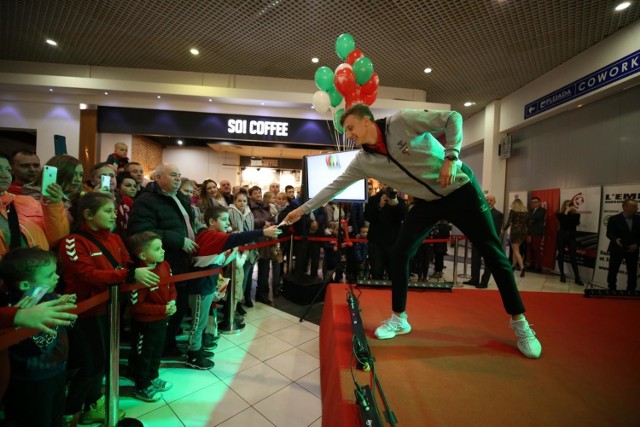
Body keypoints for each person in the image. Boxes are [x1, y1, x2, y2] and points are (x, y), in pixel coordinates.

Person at [282, 104, 541, 359]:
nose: (348, 134)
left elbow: (453, 117)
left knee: (493, 253)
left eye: (350, 128)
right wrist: (302, 210)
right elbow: (333, 187)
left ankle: (521, 324)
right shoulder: (363, 161)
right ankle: (399, 319)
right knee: (400, 253)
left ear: (366, 121)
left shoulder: (402, 122)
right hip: (427, 203)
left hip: (459, 190)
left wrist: (451, 157)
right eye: (345, 131)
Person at [59, 192, 159, 425]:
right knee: (89, 363)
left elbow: (126, 261)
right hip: (85, 312)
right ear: (88, 214)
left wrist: (127, 273)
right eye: (108, 210)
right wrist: (127, 275)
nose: (115, 214)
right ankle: (69, 411)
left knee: (102, 361)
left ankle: (93, 404)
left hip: (109, 308)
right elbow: (86, 274)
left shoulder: (114, 238)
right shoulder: (73, 242)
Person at [186, 206, 281, 369]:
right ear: (211, 221)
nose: (227, 222)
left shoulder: (211, 235)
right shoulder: (211, 236)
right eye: (223, 219)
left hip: (206, 285)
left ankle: (198, 348)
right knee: (197, 323)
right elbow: (237, 238)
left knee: (200, 322)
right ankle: (193, 355)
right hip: (200, 287)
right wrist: (263, 232)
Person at [0, 247, 76, 427]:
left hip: (57, 369)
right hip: (31, 378)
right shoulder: (13, 309)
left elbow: (67, 329)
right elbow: (26, 349)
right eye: (50, 275)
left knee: (55, 417)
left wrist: (66, 309)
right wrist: (19, 322)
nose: (57, 277)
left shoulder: (50, 296)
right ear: (25, 285)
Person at [127, 163, 198, 357]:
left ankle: (169, 343)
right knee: (162, 310)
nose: (178, 178)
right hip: (162, 263)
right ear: (158, 178)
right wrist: (178, 240)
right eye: (173, 175)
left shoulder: (180, 198)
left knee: (179, 305)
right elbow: (139, 231)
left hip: (181, 261)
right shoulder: (146, 201)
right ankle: (154, 353)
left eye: (179, 175)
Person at [127, 231, 176, 402]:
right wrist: (163, 309)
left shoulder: (165, 265)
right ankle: (141, 385)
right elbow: (136, 306)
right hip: (145, 324)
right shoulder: (139, 275)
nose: (162, 251)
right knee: (143, 355)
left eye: (161, 247)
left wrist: (172, 302)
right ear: (142, 254)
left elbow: (171, 287)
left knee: (157, 351)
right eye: (157, 249)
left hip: (162, 319)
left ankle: (153, 376)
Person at [0, 153, 69, 256]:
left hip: (41, 267)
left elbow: (56, 239)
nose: (5, 175)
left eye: (8, 170)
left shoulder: (27, 202)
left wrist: (53, 205)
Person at [364, 185, 407, 279]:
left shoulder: (399, 200)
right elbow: (368, 217)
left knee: (393, 272)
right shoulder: (373, 200)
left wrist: (396, 204)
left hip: (393, 241)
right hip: (376, 241)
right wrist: (379, 206)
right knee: (376, 271)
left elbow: (404, 216)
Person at [465, 195, 504, 288]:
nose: (489, 201)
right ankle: (474, 279)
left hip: (488, 243)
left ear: (494, 202)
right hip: (477, 241)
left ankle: (484, 282)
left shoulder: (498, 214)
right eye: (487, 200)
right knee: (475, 261)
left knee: (488, 264)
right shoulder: (478, 211)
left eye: (491, 200)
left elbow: (496, 231)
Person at [228, 190, 258, 308]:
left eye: (244, 201)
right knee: (237, 278)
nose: (242, 203)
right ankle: (234, 304)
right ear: (234, 201)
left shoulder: (249, 213)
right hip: (236, 247)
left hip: (249, 246)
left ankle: (243, 299)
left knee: (247, 276)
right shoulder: (230, 212)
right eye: (239, 201)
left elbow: (251, 228)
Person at [606, 199, 640, 291]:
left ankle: (631, 291)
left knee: (632, 272)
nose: (637, 208)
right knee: (613, 270)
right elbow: (609, 233)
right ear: (625, 207)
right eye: (634, 206)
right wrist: (615, 239)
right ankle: (612, 289)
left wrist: (637, 245)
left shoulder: (638, 219)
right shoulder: (614, 219)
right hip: (617, 249)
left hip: (633, 249)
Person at [555, 200, 584, 285]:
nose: (568, 206)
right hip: (561, 236)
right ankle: (562, 275)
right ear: (564, 206)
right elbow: (563, 222)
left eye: (570, 205)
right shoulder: (560, 214)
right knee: (561, 254)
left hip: (571, 236)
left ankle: (577, 278)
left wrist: (571, 212)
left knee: (573, 256)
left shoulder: (576, 215)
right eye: (566, 205)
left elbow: (573, 224)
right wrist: (566, 212)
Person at [503, 199, 529, 277]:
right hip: (523, 232)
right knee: (515, 250)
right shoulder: (526, 212)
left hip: (515, 232)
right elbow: (528, 223)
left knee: (516, 251)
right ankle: (513, 266)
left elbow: (509, 222)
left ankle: (522, 267)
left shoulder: (513, 211)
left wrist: (503, 230)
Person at [527, 197, 546, 272]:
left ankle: (538, 267)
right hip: (529, 233)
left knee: (537, 250)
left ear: (539, 203)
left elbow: (536, 217)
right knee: (530, 250)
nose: (534, 203)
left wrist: (531, 219)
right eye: (532, 202)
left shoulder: (542, 210)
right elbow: (528, 220)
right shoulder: (529, 210)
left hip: (537, 233)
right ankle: (532, 265)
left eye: (535, 202)